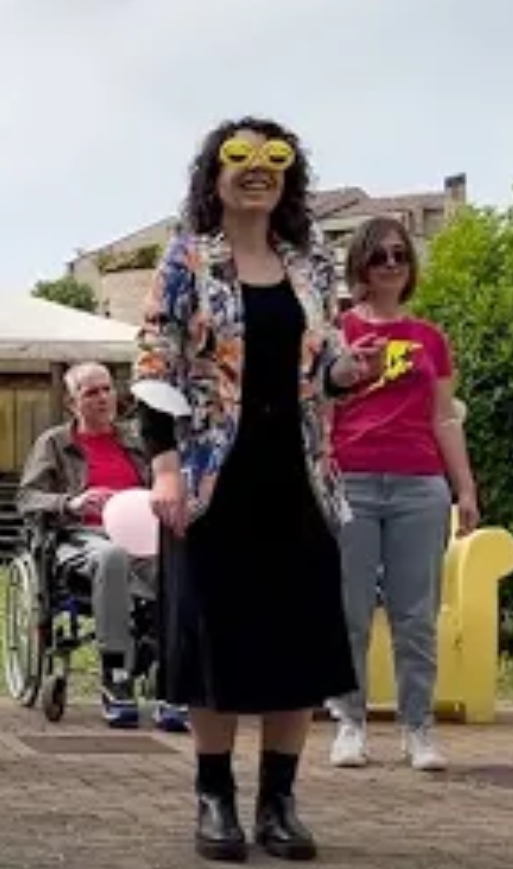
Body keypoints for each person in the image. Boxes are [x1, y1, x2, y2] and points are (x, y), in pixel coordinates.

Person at [135, 117, 383, 863]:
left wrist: (347, 371)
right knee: (216, 640)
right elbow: (155, 362)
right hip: (214, 478)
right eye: (238, 156)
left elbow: (324, 360)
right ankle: (216, 799)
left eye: (273, 158)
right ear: (213, 174)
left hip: (299, 476)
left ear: (289, 175)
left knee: (299, 641)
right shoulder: (187, 258)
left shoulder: (313, 265)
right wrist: (166, 466)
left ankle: (280, 801)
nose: (257, 169)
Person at [327, 217, 481, 773]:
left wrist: (464, 487)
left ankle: (418, 729)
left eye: (400, 255)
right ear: (361, 266)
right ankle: (350, 723)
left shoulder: (430, 339)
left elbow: (445, 419)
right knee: (350, 612)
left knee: (416, 614)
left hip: (419, 484)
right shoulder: (337, 330)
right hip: (354, 481)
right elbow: (321, 408)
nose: (391, 264)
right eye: (380, 256)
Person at [16, 361, 187, 732]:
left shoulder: (139, 439)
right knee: (112, 557)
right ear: (72, 402)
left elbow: (166, 481)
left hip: (142, 537)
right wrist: (71, 503)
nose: (102, 398)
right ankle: (117, 675)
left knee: (177, 567)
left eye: (107, 389)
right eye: (91, 392)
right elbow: (27, 498)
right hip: (81, 538)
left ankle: (170, 678)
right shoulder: (55, 443)